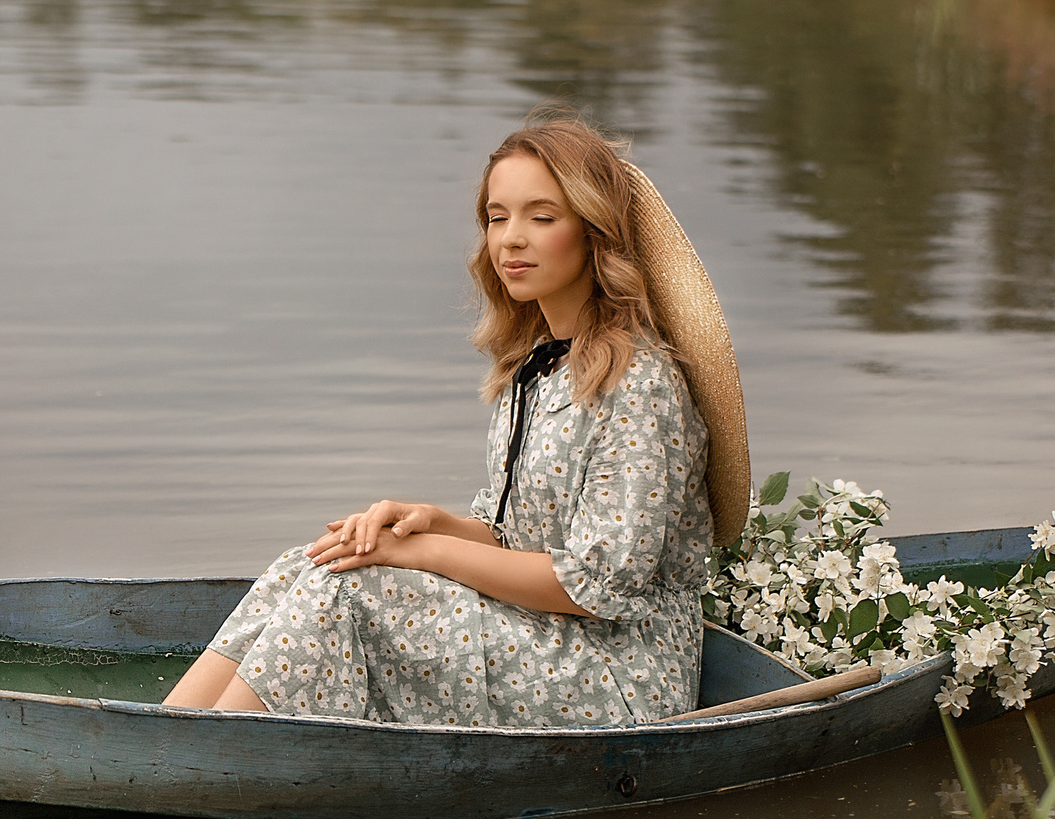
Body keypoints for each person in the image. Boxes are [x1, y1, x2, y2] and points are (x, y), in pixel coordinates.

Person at [162, 107, 749, 726]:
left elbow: (595, 585)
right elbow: (513, 540)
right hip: (542, 635)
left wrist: (422, 555)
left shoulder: (638, 385)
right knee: (315, 562)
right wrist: (431, 523)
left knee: (349, 590)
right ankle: (166, 740)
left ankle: (201, 762)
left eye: (540, 217)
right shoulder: (538, 369)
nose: (510, 239)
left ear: (594, 233)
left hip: (619, 674)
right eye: (497, 218)